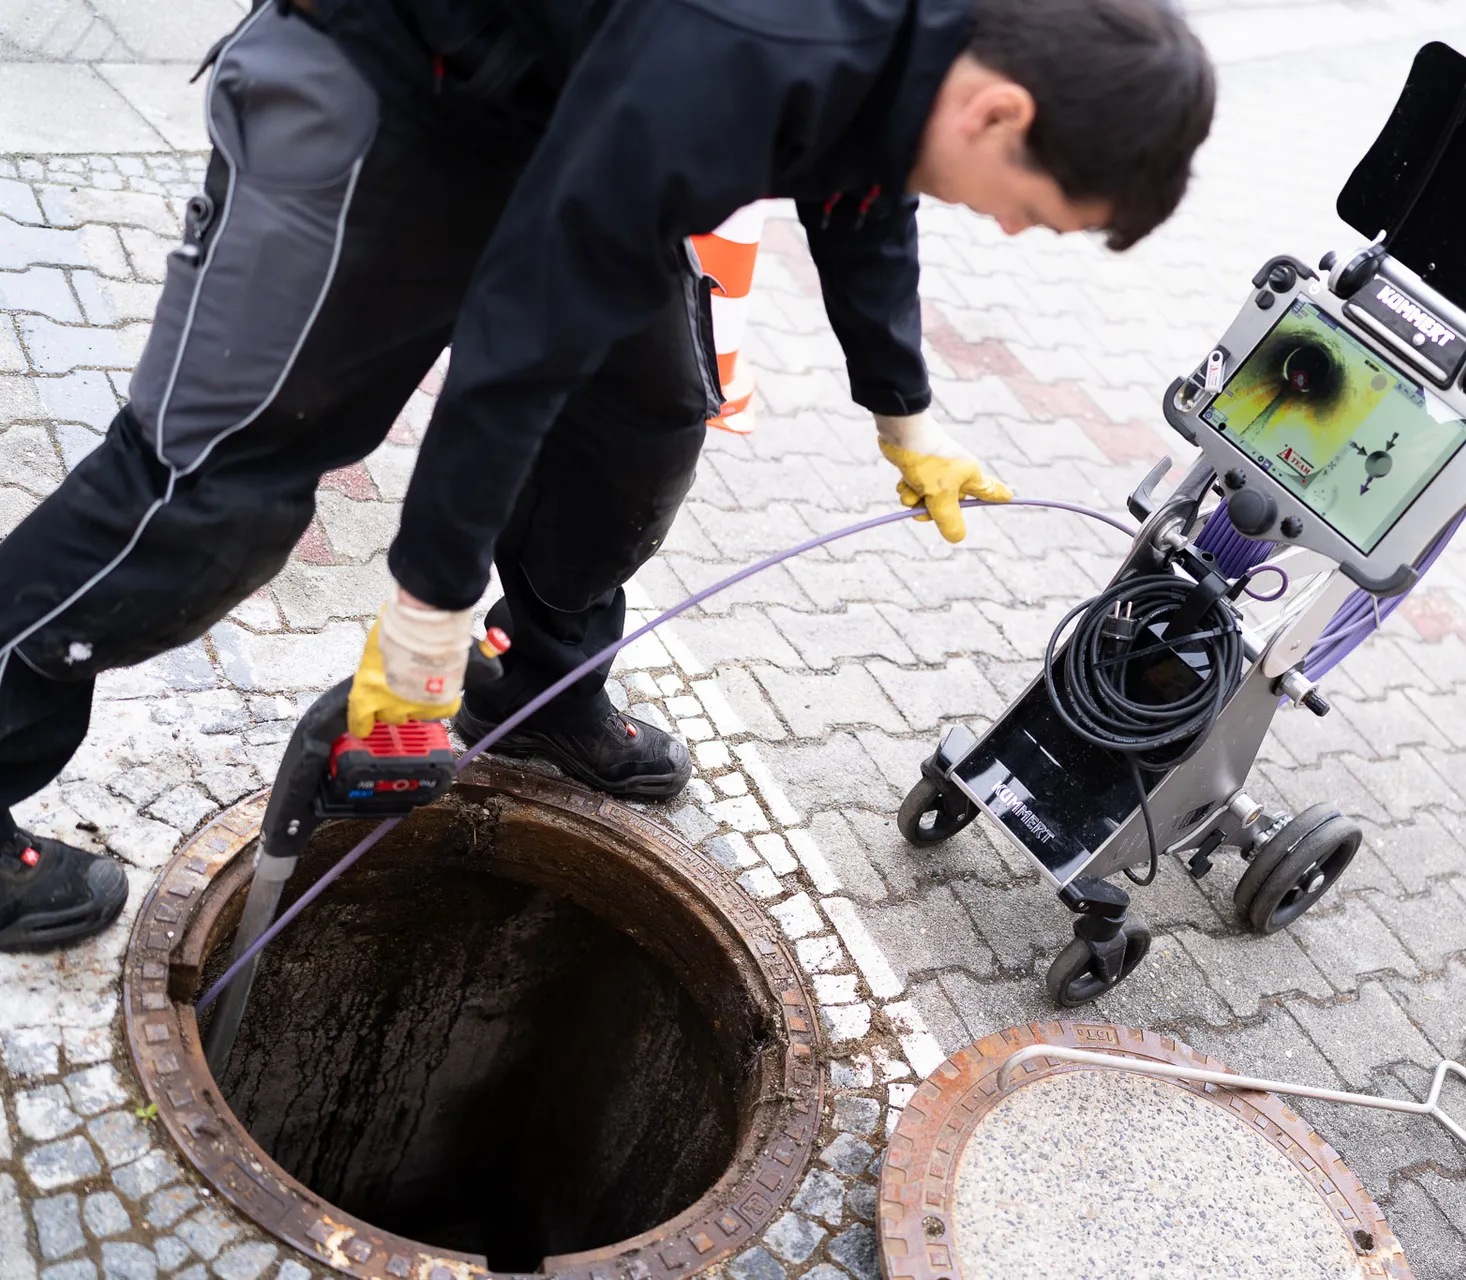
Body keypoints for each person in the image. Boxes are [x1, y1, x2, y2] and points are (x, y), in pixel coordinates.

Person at [0, 0, 1215, 949]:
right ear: (1002, 114)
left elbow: (866, 178)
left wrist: (905, 414)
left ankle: (539, 687)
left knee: (642, 410)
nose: (1008, 230)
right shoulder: (752, 44)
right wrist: (423, 613)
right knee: (212, 490)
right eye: (1030, 211)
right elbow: (523, 340)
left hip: (581, 102)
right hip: (387, 76)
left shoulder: (933, 50)